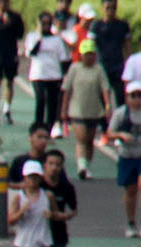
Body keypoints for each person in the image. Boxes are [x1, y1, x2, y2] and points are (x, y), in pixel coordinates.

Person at [60, 39, 112, 179]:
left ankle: (86, 165)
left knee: (89, 140)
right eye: (86, 54)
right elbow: (67, 90)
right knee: (81, 138)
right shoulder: (74, 68)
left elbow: (105, 89)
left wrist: (108, 106)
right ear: (81, 55)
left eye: (91, 54)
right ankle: (81, 166)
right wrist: (64, 109)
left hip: (94, 110)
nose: (89, 57)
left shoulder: (98, 69)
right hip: (77, 110)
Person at [106, 80, 141, 237]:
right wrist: (121, 135)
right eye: (133, 96)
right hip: (127, 155)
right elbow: (109, 132)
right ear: (127, 97)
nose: (136, 99)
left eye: (139, 95)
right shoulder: (121, 113)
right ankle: (131, 222)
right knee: (130, 189)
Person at [26, 12, 70, 136]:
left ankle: (49, 129)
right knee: (40, 100)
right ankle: (37, 127)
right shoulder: (32, 36)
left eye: (48, 23)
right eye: (43, 23)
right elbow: (31, 53)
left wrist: (64, 75)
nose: (46, 26)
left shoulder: (56, 40)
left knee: (52, 104)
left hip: (54, 75)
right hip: (38, 75)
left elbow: (63, 58)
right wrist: (39, 37)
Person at [91, 0, 130, 109]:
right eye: (108, 8)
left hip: (118, 65)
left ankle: (121, 120)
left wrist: (128, 63)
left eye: (113, 8)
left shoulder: (122, 25)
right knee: (101, 96)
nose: (110, 11)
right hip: (102, 64)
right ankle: (102, 122)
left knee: (120, 96)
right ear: (103, 8)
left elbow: (127, 46)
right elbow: (91, 46)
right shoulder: (96, 25)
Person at [7, 122, 52, 189]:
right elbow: (8, 182)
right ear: (30, 138)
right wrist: (20, 186)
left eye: (46, 138)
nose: (43, 141)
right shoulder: (19, 161)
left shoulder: (51, 161)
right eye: (39, 137)